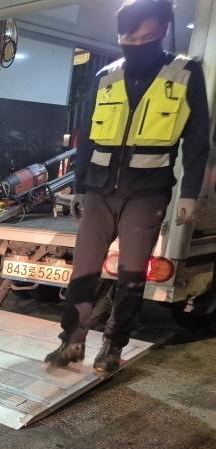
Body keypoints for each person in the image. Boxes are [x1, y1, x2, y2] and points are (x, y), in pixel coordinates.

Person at [46, 0, 210, 373]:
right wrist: (81, 187)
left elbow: (198, 139)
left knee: (131, 276)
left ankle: (112, 346)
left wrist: (188, 193)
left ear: (163, 30)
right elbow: (85, 138)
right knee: (84, 273)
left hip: (147, 191)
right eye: (128, 37)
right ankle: (71, 343)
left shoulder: (186, 73)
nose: (137, 42)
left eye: (147, 36)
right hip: (100, 192)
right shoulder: (106, 76)